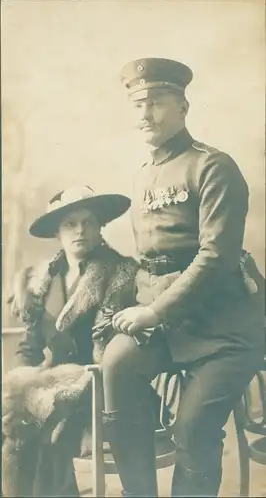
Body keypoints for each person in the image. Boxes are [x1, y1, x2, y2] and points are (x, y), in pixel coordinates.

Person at [101, 58, 265, 497]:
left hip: (225, 327)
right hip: (169, 324)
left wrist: (154, 311)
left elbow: (216, 257)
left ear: (183, 107)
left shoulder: (213, 167)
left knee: (193, 430)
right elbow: (152, 260)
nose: (145, 115)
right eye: (138, 105)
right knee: (115, 364)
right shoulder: (142, 176)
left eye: (156, 103)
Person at [2, 185, 138, 497]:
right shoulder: (42, 280)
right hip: (52, 385)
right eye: (70, 224)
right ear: (57, 234)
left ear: (100, 226)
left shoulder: (120, 272)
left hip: (102, 386)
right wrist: (19, 380)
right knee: (13, 420)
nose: (80, 231)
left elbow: (110, 347)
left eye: (88, 222)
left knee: (51, 427)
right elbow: (30, 345)